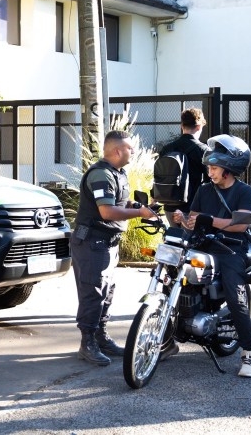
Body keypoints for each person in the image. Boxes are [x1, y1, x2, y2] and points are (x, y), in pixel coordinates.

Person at [173, 134, 251, 377]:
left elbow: (241, 224)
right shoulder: (204, 190)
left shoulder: (244, 191)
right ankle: (166, 339)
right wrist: (182, 220)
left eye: (214, 168)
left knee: (236, 297)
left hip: (232, 248)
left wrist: (209, 220)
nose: (209, 172)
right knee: (173, 278)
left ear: (229, 169)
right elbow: (194, 221)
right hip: (204, 245)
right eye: (209, 167)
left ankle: (249, 355)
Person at [71, 130, 155, 366]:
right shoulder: (100, 175)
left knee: (106, 293)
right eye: (130, 148)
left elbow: (119, 202)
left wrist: (140, 205)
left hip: (107, 244)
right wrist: (139, 213)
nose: (133, 151)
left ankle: (100, 337)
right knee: (92, 293)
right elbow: (106, 212)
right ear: (117, 151)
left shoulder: (118, 173)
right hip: (92, 243)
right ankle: (86, 344)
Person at [158, 107, 209, 227]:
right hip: (192, 206)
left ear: (182, 126)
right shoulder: (203, 150)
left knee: (175, 239)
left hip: (170, 205)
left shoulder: (167, 149)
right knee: (192, 240)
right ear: (199, 126)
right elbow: (210, 178)